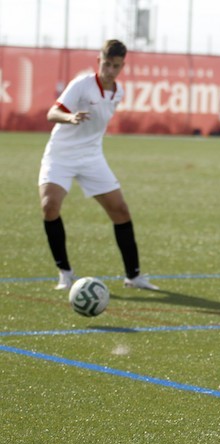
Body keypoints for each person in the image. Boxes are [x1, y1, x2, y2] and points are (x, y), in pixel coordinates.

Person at [38, 39, 159, 291]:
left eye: (115, 66)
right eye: (106, 64)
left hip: (92, 157)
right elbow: (52, 113)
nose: (110, 70)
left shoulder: (119, 92)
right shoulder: (81, 84)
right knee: (50, 207)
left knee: (120, 211)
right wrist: (69, 117)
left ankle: (133, 276)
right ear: (98, 61)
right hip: (61, 155)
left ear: (122, 66)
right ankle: (65, 273)